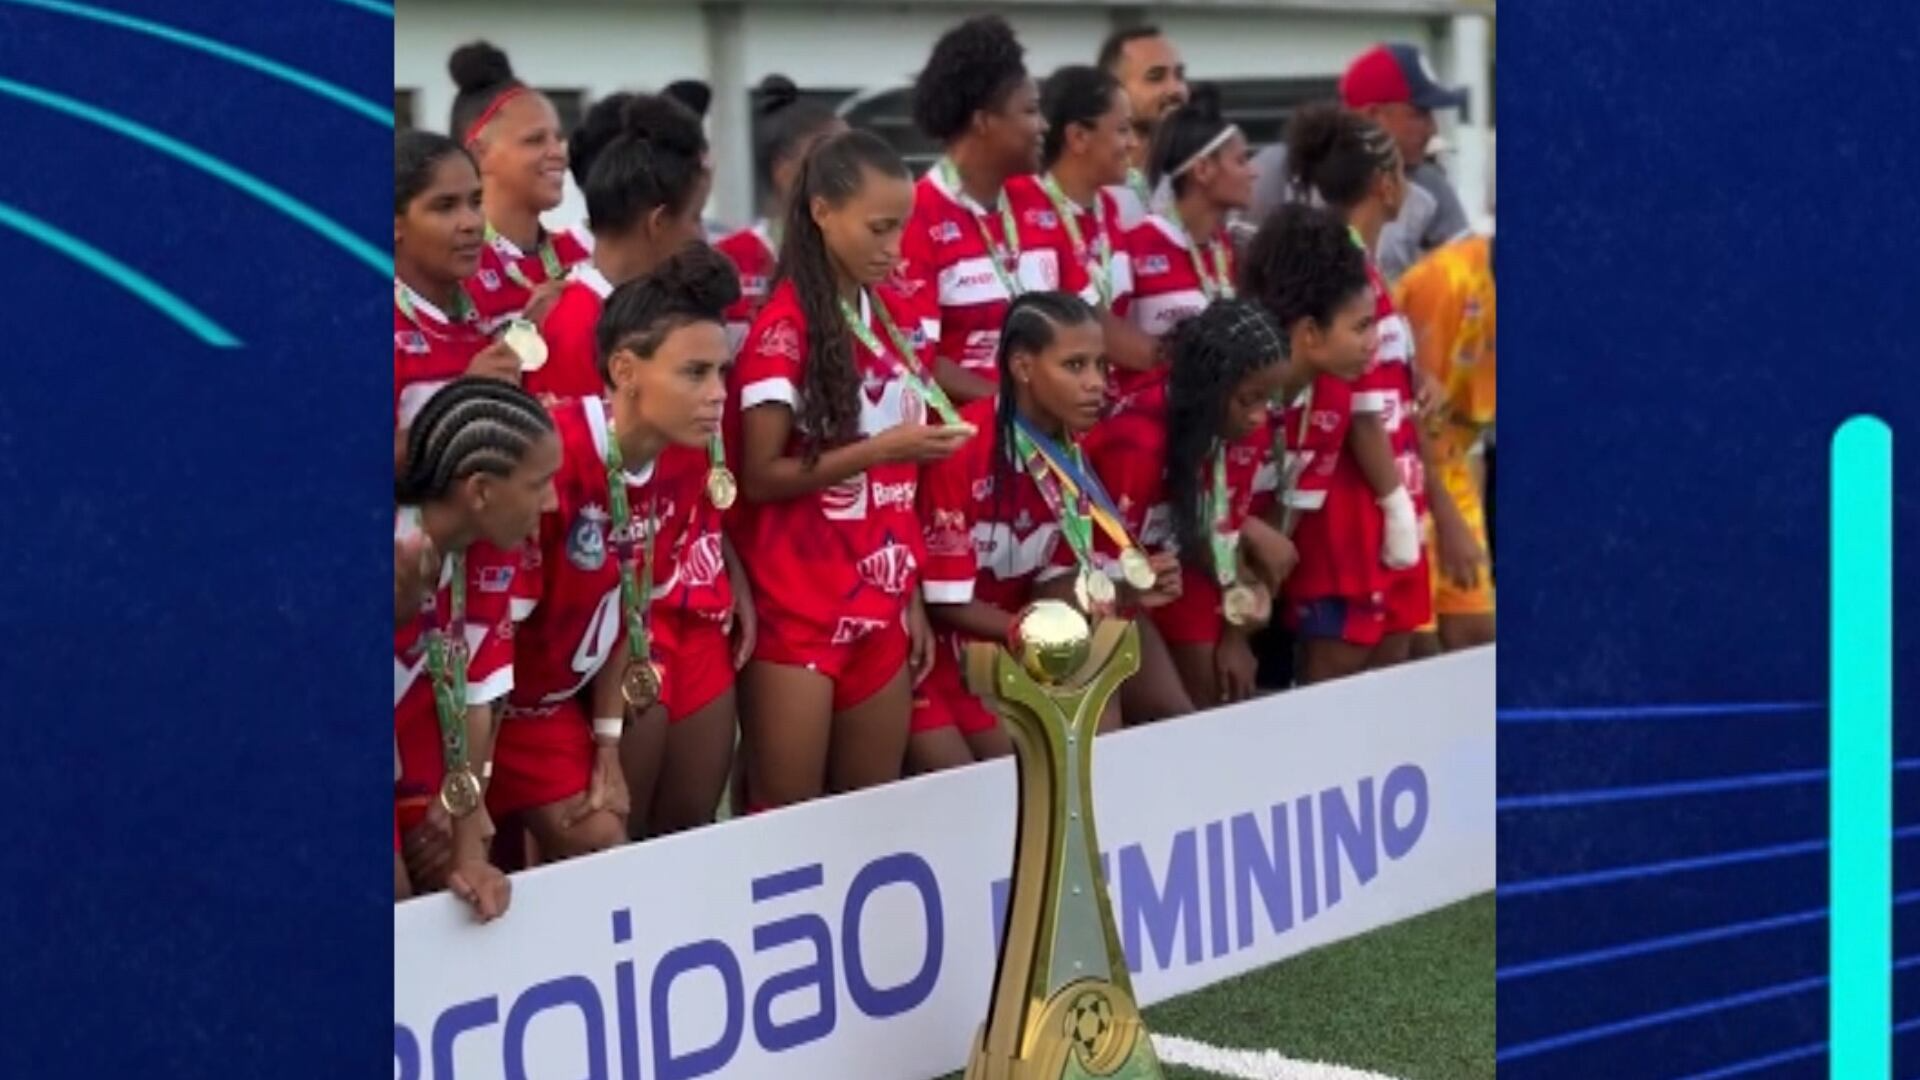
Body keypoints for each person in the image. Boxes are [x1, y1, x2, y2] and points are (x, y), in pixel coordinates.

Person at [734, 130, 972, 808]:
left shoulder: (892, 314)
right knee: (789, 818)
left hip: (882, 602)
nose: (894, 248)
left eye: (902, 228)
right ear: (821, 213)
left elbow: (899, 486)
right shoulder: (784, 328)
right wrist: (878, 451)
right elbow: (759, 475)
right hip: (799, 607)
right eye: (878, 228)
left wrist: (911, 593)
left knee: (871, 813)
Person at [489, 246, 749, 863]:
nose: (718, 394)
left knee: (605, 840)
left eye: (722, 372)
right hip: (469, 711)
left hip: (545, 714)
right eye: (695, 373)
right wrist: (466, 790)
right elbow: (484, 639)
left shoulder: (686, 461)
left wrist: (605, 745)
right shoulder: (550, 457)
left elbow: (626, 615)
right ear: (625, 370)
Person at [913, 292, 1180, 768]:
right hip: (936, 656)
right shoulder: (963, 450)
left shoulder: (1072, 454)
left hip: (1014, 648)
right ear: (1022, 367)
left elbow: (1058, 583)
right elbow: (944, 601)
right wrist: (1031, 629)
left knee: (1095, 713)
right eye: (1075, 366)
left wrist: (1127, 586)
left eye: (1101, 365)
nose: (1097, 383)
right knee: (1004, 781)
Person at [393, 377, 562, 920]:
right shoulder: (390, 555)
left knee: (443, 886)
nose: (552, 502)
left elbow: (475, 698)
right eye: (539, 484)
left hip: (409, 744)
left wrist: (469, 855)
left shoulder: (486, 551)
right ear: (481, 491)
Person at [1084, 299, 1297, 708]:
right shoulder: (1137, 444)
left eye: (1266, 399)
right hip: (1097, 591)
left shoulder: (1238, 429)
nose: (1259, 416)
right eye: (1249, 400)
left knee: (1212, 693)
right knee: (1171, 712)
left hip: (1162, 574)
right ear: (1209, 388)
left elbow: (1216, 542)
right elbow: (1095, 571)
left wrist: (1239, 627)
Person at [1238, 203, 1388, 685]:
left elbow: (1282, 532)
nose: (1374, 342)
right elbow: (1184, 505)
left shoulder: (1333, 397)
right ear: (1309, 334)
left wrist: (1247, 608)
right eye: (1361, 327)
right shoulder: (1230, 386)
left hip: (1239, 585)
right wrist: (1246, 531)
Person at [900, 15, 1083, 405]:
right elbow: (920, 359)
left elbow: (1084, 322)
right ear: (983, 121)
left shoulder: (1041, 200)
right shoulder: (915, 215)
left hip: (1050, 426)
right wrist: (1015, 407)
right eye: (1030, 111)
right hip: (969, 434)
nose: (1044, 126)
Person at [531, 94, 712, 401]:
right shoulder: (577, 327)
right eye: (695, 217)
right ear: (657, 223)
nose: (703, 236)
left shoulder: (643, 311)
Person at [1248, 43, 1473, 281]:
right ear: (1373, 115)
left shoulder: (1430, 184)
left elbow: (1468, 279)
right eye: (1419, 114)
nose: (1433, 129)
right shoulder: (1277, 171)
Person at [1005, 66, 1159, 385]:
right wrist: (1185, 360)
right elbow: (1077, 326)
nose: (1133, 143)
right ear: (1078, 137)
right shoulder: (1019, 201)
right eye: (1123, 130)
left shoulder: (1111, 207)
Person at [1394, 232, 1496, 652]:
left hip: (1453, 463)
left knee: (1478, 638)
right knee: (1416, 650)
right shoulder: (1445, 282)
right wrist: (1449, 523)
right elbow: (1412, 415)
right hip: (1405, 476)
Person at [448, 41, 586, 332]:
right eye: (535, 140)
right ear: (478, 153)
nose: (558, 152)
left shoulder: (581, 254)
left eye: (558, 137)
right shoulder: (452, 270)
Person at [393, 130, 521, 431]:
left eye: (476, 202)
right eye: (445, 206)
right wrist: (465, 400)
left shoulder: (490, 306)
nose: (472, 223)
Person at [1123, 86, 1255, 365]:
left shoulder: (1234, 248)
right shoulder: (1134, 246)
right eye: (1241, 160)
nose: (1254, 172)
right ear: (1203, 170)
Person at [716, 75, 848, 352]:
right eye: (833, 162)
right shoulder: (727, 260)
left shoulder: (860, 257)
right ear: (783, 170)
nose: (851, 176)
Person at [1095, 24, 1188, 229]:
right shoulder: (1095, 181)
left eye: (1179, 75)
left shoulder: (1197, 172)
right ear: (1114, 90)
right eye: (1156, 77)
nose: (1176, 89)